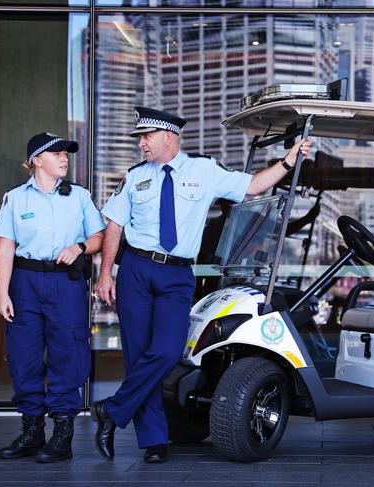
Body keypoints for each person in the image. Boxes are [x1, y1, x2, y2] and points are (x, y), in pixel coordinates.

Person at [92, 106, 310, 463]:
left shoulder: (204, 170)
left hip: (176, 274)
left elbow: (254, 185)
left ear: (169, 137)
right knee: (137, 356)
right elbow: (114, 225)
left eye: (145, 137)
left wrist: (287, 161)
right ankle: (154, 441)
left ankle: (112, 412)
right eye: (139, 138)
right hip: (135, 269)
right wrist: (105, 275)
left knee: (167, 350)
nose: (141, 144)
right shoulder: (134, 176)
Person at [0, 132, 106, 463]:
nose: (64, 157)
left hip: (64, 285)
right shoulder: (15, 199)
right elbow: (5, 248)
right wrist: (2, 294)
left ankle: (62, 436)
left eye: (66, 153)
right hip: (24, 283)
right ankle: (31, 433)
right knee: (23, 355)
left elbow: (98, 236)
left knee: (66, 355)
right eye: (56, 153)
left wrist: (80, 247)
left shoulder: (79, 197)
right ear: (37, 161)